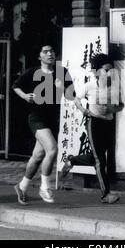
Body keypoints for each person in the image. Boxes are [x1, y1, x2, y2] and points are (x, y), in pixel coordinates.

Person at [13, 45, 74, 205]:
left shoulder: (62, 72)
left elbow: (71, 96)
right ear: (39, 56)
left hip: (52, 119)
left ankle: (22, 186)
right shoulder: (32, 72)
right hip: (36, 117)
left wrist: (62, 88)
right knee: (52, 149)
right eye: (45, 52)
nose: (50, 54)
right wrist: (25, 96)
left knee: (38, 156)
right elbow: (15, 86)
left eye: (52, 51)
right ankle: (44, 187)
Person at [61, 53, 123, 204]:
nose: (109, 73)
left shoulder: (114, 87)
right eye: (106, 70)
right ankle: (106, 194)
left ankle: (72, 160)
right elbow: (76, 99)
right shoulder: (89, 86)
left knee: (99, 157)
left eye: (111, 70)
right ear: (97, 71)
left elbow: (120, 105)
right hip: (94, 123)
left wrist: (113, 109)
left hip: (108, 124)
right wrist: (83, 110)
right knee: (100, 160)